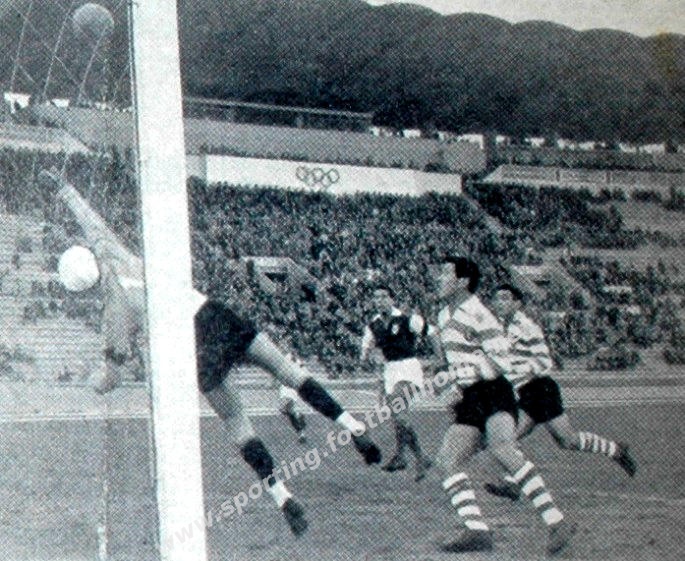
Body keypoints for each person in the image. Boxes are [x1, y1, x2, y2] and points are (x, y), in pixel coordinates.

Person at [40, 168, 382, 538]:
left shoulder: (113, 313)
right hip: (210, 314)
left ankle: (281, 495)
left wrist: (88, 380)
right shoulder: (112, 253)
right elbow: (89, 219)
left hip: (191, 347)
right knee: (289, 371)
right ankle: (352, 424)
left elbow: (110, 378)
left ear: (82, 291)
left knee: (236, 420)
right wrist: (64, 188)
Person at [427, 256, 575, 555]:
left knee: (502, 449)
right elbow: (456, 361)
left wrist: (466, 376)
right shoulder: (443, 315)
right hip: (471, 397)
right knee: (446, 461)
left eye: (444, 273)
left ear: (462, 282)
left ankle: (556, 522)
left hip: (494, 391)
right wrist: (454, 385)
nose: (438, 278)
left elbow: (501, 360)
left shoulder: (479, 314)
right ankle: (477, 531)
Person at [484, 284, 637, 501]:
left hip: (540, 390)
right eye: (496, 298)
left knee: (566, 440)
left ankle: (616, 450)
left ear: (517, 303)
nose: (499, 302)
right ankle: (513, 484)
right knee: (508, 438)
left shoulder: (527, 328)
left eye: (505, 298)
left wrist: (516, 371)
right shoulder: (499, 328)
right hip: (525, 393)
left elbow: (544, 362)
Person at [360, 284, 433, 481]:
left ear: (392, 299)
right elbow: (365, 351)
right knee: (397, 416)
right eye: (376, 297)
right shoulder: (373, 325)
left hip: (408, 368)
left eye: (384, 296)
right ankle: (401, 456)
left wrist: (440, 359)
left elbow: (432, 333)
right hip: (390, 371)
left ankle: (420, 457)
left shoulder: (406, 319)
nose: (380, 301)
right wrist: (367, 358)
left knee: (399, 414)